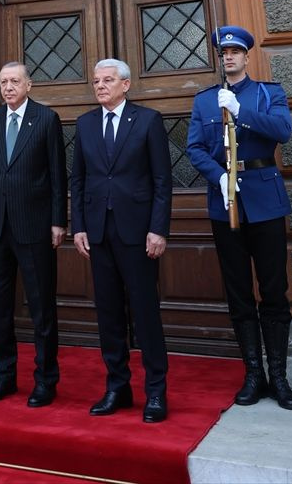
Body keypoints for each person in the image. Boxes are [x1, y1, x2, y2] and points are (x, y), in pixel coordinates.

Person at [187, 25, 292, 410]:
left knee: (272, 289)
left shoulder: (270, 93)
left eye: (235, 51)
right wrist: (218, 176)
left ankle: (279, 377)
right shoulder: (204, 101)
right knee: (238, 292)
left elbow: (283, 130)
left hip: (265, 199)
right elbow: (195, 148)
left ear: (247, 56)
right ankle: (254, 375)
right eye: (224, 53)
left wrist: (242, 112)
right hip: (226, 202)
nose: (229, 57)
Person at [71, 59, 172, 423]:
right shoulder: (84, 124)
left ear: (125, 84)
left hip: (139, 233)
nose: (100, 86)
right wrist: (78, 226)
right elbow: (78, 180)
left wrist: (158, 228)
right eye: (96, 80)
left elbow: (162, 180)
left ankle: (156, 392)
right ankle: (118, 386)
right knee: (109, 315)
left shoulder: (147, 121)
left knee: (145, 314)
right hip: (98, 233)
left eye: (108, 80)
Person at [0, 61, 66, 407]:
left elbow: (58, 175)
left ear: (29, 85)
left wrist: (59, 221)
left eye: (15, 81)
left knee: (41, 306)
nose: (8, 87)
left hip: (35, 226)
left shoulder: (46, 119)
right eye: (3, 82)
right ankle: (5, 376)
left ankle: (45, 379)